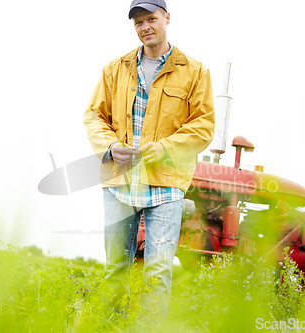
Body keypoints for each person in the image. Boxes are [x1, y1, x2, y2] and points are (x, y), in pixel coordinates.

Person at [83, 0, 215, 317]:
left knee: (157, 272)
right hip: (119, 182)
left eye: (151, 19)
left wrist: (166, 148)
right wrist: (111, 147)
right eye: (139, 22)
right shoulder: (114, 69)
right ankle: (111, 326)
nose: (145, 27)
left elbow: (204, 125)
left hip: (166, 186)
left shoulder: (195, 72)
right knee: (115, 268)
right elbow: (93, 116)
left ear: (167, 18)